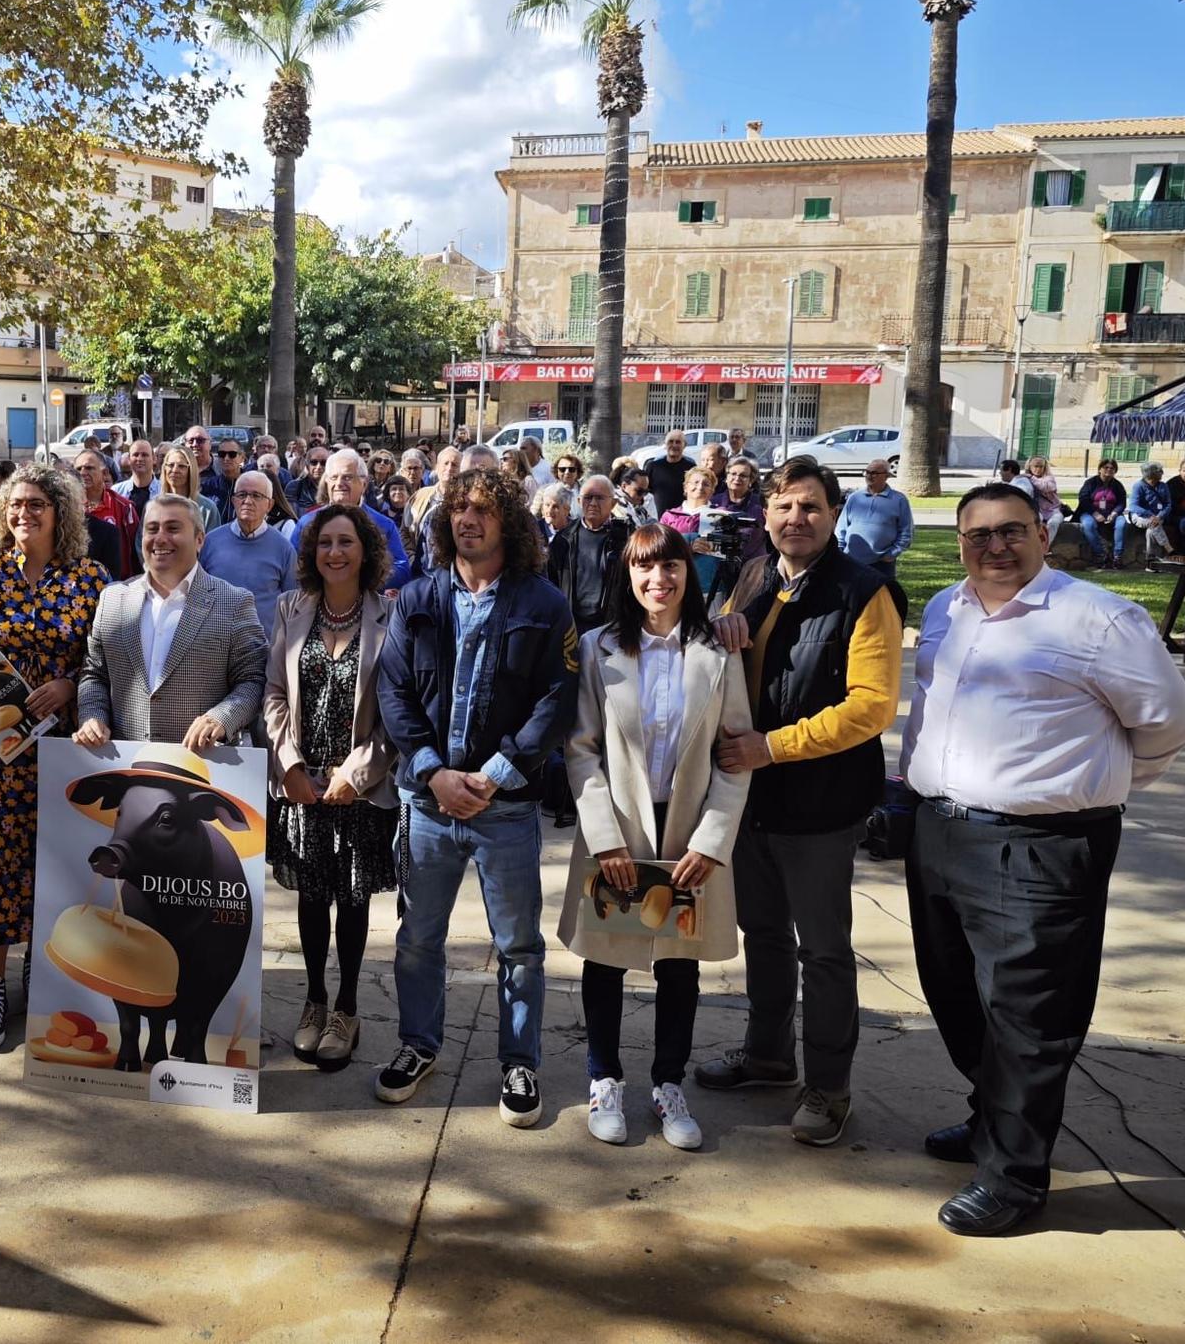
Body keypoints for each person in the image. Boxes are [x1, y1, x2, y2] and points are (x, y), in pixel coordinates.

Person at [899, 483, 1185, 1235]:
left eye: (1010, 532)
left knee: (1031, 1018)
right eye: (977, 536)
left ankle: (1014, 1178)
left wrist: (1089, 788)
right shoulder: (946, 609)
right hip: (941, 831)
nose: (993, 548)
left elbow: (1168, 721)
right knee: (957, 993)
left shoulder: (1097, 619)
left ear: (1042, 532)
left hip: (1040, 847)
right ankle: (988, 1122)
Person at [697, 456, 906, 1147]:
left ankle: (829, 1086)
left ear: (834, 515)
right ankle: (766, 1056)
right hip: (752, 799)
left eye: (811, 507)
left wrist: (773, 746)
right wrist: (721, 630)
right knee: (763, 936)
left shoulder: (863, 590)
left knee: (822, 950)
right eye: (784, 506)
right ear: (766, 515)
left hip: (819, 802)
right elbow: (726, 656)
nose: (796, 519)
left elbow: (871, 707)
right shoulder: (757, 578)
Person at [373, 468, 578, 1127]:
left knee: (518, 945)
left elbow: (557, 701)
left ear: (508, 523)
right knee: (418, 939)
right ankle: (418, 1045)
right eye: (458, 509)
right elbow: (394, 691)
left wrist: (496, 772)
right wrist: (433, 772)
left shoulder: (545, 605)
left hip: (506, 807)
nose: (468, 520)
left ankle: (520, 1062)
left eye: (483, 510)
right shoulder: (418, 597)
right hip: (429, 805)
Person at [562, 523, 752, 1150]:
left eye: (670, 567)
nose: (657, 580)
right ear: (629, 576)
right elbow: (582, 749)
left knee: (678, 965)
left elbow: (735, 754)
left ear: (687, 574)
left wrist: (712, 840)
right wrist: (604, 838)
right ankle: (604, 1077)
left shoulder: (719, 653)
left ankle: (668, 1083)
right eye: (644, 568)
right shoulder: (598, 648)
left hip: (688, 826)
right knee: (607, 959)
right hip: (618, 825)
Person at [0, 464, 111, 1050]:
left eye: (38, 504)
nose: (24, 514)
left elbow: (108, 661)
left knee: (56, 869)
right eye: (15, 505)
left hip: (66, 753)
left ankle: (42, 974)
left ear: (61, 511)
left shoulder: (91, 580)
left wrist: (68, 686)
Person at [266, 505, 399, 1072]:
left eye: (346, 542)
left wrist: (356, 773)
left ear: (364, 552)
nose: (334, 552)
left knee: (352, 899)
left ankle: (347, 1008)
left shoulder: (389, 617)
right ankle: (314, 1000)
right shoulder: (291, 609)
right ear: (311, 552)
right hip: (302, 785)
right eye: (324, 543)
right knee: (312, 897)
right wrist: (289, 765)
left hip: (358, 790)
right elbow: (273, 694)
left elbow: (397, 712)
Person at [74, 493, 266, 751]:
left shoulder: (233, 602)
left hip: (202, 767)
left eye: (173, 528)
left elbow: (253, 679)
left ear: (199, 539)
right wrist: (93, 716)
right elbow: (94, 673)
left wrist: (221, 718)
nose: (160, 538)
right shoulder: (113, 599)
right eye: (151, 529)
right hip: (126, 765)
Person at [286, 450, 411, 592]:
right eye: (333, 477)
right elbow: (292, 567)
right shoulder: (307, 522)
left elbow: (402, 569)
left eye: (347, 478)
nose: (339, 483)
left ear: (363, 484)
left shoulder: (383, 525)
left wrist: (361, 580)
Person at [201, 470, 300, 641]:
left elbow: (292, 604)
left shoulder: (283, 548)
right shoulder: (211, 542)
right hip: (214, 645)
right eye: (242, 495)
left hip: (263, 647)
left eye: (256, 495)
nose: (248, 501)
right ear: (233, 501)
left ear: (269, 505)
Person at [549, 475, 630, 636]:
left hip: (611, 626)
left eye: (599, 498)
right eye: (588, 497)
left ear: (613, 503)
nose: (593, 503)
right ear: (579, 501)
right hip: (571, 626)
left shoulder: (626, 539)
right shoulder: (564, 539)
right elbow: (552, 582)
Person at [837, 460, 914, 573]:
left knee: (881, 591)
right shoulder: (855, 497)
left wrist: (892, 554)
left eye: (874, 473)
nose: (869, 476)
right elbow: (841, 527)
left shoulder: (899, 500)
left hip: (882, 563)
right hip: (851, 560)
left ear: (886, 476)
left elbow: (907, 531)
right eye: (867, 472)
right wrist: (840, 551)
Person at [77, 448, 140, 578]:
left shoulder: (124, 507)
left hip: (117, 583)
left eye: (89, 468)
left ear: (104, 473)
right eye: (78, 469)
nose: (83, 473)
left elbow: (137, 548)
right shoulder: (68, 509)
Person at [1074, 458, 1130, 569]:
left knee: (1122, 524)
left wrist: (1115, 513)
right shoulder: (1090, 483)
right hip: (1090, 513)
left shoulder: (1117, 485)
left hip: (1111, 514)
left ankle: (1117, 557)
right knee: (1088, 525)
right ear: (1100, 469)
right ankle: (1100, 555)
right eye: (1106, 467)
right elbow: (1083, 499)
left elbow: (1122, 502)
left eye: (1112, 468)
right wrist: (1095, 514)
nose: (1109, 470)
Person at [710, 458, 767, 563]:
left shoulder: (761, 503)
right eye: (733, 474)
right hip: (717, 564)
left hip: (753, 565)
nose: (737, 478)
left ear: (751, 480)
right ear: (727, 477)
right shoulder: (713, 502)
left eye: (743, 475)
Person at [159, 445, 221, 532]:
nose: (175, 470)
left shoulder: (207, 509)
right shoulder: (154, 506)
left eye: (181, 466)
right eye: (170, 465)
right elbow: (142, 540)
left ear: (191, 470)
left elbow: (212, 543)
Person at [1127, 464, 1173, 562]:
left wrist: (1160, 516)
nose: (1162, 473)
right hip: (1140, 516)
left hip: (1158, 517)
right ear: (1151, 474)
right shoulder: (1139, 486)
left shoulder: (1163, 486)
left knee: (1151, 531)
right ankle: (1168, 548)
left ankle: (1150, 562)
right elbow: (1133, 506)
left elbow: (1168, 504)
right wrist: (1150, 515)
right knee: (1154, 525)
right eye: (1159, 471)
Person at [659, 468, 718, 543]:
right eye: (696, 482)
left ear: (712, 491)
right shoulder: (669, 516)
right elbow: (661, 545)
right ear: (685, 487)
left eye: (706, 484)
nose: (700, 487)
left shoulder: (719, 515)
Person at [645, 431, 695, 517]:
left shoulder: (691, 468)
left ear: (684, 445)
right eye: (671, 441)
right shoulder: (653, 466)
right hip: (658, 518)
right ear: (665, 445)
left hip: (682, 519)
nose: (674, 445)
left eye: (678, 442)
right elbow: (645, 493)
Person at [113, 439, 160, 521]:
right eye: (135, 455)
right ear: (129, 459)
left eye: (145, 455)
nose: (140, 459)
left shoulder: (164, 491)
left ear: (154, 459)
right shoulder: (116, 492)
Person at [1025, 457, 1065, 548]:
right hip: (1036, 511)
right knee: (1034, 523)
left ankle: (1043, 548)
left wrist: (1032, 478)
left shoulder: (1049, 478)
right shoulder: (1025, 478)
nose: (1038, 469)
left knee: (1054, 523)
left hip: (1053, 510)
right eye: (1035, 466)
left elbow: (1048, 487)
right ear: (1030, 467)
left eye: (1041, 467)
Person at [208, 438, 248, 522]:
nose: (226, 458)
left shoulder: (251, 485)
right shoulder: (208, 485)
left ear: (242, 457)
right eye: (222, 454)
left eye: (232, 454)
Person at [291, 441, 329, 517]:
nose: (318, 467)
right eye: (314, 462)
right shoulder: (294, 486)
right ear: (307, 465)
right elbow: (290, 516)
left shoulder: (334, 487)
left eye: (323, 463)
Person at [532, 482, 574, 546]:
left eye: (555, 507)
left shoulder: (576, 531)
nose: (550, 511)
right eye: (547, 505)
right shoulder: (535, 529)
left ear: (566, 510)